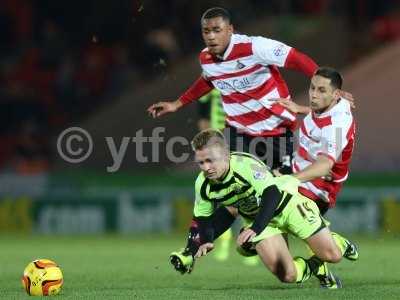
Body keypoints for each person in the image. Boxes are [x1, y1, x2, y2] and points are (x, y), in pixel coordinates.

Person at [170, 129, 358, 289]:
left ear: (226, 155)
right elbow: (202, 220)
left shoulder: (245, 165)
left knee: (333, 255)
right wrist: (195, 247)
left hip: (288, 206)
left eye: (210, 160)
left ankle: (339, 243)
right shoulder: (202, 184)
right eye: (201, 162)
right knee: (288, 276)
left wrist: (255, 228)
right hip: (259, 222)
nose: (206, 168)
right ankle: (316, 267)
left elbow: (272, 195)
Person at [148, 6, 324, 173]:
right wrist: (176, 104)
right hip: (237, 132)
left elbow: (297, 59)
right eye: (206, 31)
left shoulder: (255, 47)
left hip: (275, 131)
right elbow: (208, 80)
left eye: (217, 30)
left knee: (278, 189)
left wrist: (327, 87)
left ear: (230, 30)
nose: (211, 36)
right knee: (228, 183)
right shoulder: (206, 58)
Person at [276, 67, 356, 216]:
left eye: (321, 90)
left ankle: (336, 240)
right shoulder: (333, 104)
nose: (313, 95)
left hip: (316, 189)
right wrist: (300, 108)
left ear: (336, 94)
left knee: (268, 216)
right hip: (297, 167)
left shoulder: (337, 126)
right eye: (312, 88)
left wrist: (288, 181)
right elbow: (323, 113)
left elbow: (324, 166)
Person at [197, 90, 258, 265]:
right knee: (222, 195)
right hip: (217, 144)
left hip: (241, 141)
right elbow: (202, 116)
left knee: (245, 191)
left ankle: (249, 240)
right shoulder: (208, 83)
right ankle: (223, 239)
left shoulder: (240, 79)